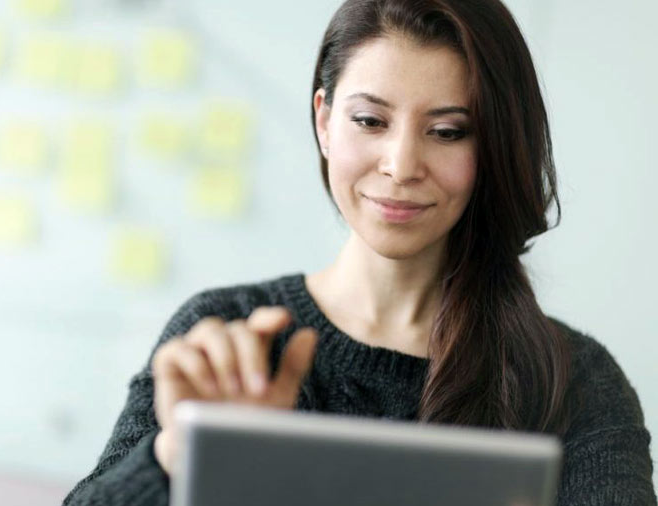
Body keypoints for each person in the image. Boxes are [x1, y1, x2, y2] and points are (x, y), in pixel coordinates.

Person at [63, 0, 656, 504]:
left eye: (447, 131)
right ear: (324, 121)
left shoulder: (572, 379)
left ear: (495, 145)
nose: (400, 166)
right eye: (370, 120)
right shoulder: (226, 337)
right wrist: (178, 450)